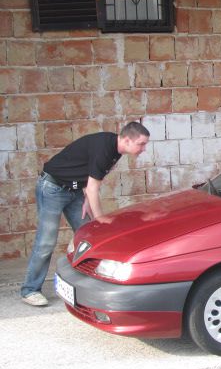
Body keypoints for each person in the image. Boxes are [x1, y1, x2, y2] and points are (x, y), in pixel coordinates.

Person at [20, 121, 150, 306]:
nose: (143, 149)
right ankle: (29, 290)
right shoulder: (104, 148)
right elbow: (93, 187)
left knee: (87, 235)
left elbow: (92, 178)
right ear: (127, 140)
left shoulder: (116, 150)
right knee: (46, 241)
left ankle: (84, 284)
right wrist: (99, 218)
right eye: (141, 144)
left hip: (74, 191)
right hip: (52, 188)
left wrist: (87, 200)